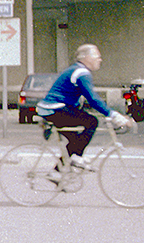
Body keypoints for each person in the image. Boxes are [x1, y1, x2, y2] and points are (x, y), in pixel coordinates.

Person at [37, 44, 130, 172]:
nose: (100, 59)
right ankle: (76, 158)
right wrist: (113, 115)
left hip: (51, 109)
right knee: (91, 122)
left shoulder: (76, 70)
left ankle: (56, 172)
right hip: (55, 109)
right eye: (97, 56)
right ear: (86, 58)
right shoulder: (82, 73)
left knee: (75, 142)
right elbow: (93, 99)